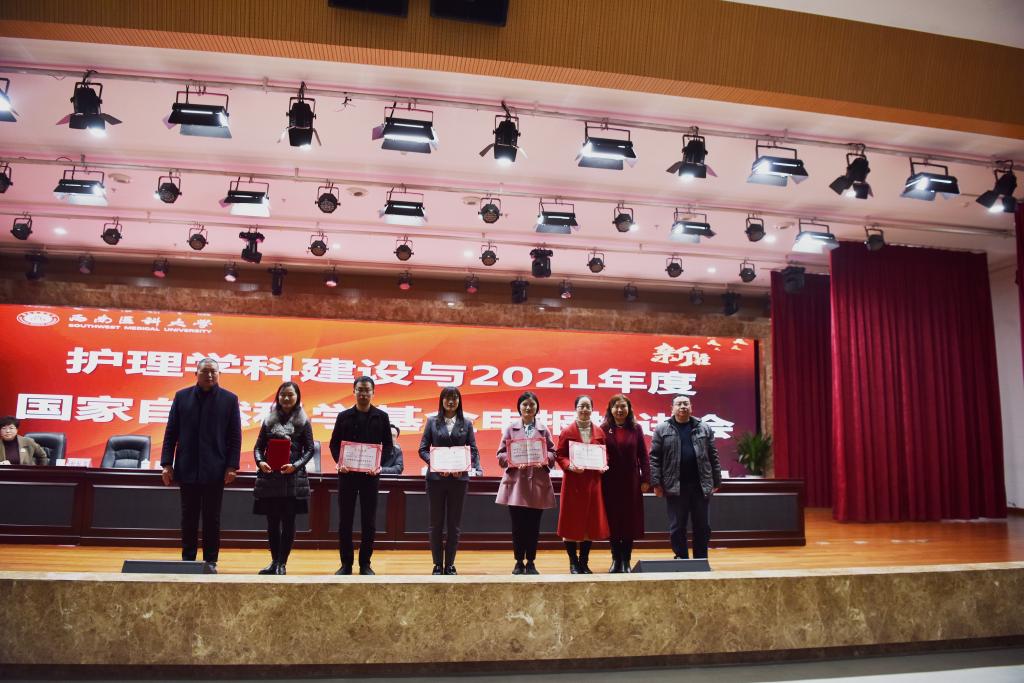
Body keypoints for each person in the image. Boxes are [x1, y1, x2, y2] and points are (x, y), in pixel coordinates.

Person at [160, 358, 242, 573]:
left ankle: (210, 560)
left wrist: (232, 466)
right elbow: (171, 433)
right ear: (196, 374)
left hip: (216, 469)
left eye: (214, 371)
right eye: (205, 371)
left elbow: (235, 436)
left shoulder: (229, 399)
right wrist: (167, 463)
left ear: (219, 374)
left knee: (212, 518)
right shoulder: (182, 397)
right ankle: (188, 559)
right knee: (188, 517)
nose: (210, 375)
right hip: (187, 467)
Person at [329, 376, 393, 576]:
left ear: (373, 392)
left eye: (367, 390)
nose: (363, 394)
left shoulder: (381, 417)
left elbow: (388, 446)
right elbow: (334, 444)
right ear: (354, 391)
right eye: (360, 390)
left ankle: (365, 563)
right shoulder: (343, 416)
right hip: (347, 476)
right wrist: (340, 462)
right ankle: (346, 564)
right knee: (345, 521)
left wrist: (379, 465)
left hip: (370, 477)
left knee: (369, 521)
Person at [252, 382, 314, 575]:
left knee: (288, 522)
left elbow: (310, 449)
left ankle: (282, 563)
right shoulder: (269, 419)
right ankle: (273, 561)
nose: (286, 398)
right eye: (282, 395)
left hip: (292, 479)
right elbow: (258, 447)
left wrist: (295, 466)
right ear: (278, 397)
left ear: (297, 397)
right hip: (270, 478)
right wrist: (260, 462)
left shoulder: (303, 421)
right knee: (272, 523)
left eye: (290, 395)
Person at [649, 395, 721, 560]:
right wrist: (656, 483)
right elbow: (654, 458)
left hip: (700, 485)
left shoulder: (703, 428)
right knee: (677, 526)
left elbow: (713, 456)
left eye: (686, 403)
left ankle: (701, 560)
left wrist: (716, 480)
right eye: (679, 404)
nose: (682, 406)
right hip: (675, 486)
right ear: (672, 408)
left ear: (691, 407)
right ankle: (681, 558)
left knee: (702, 526)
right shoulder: (662, 429)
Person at [418, 386, 480, 575]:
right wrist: (435, 464)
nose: (451, 401)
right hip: (436, 480)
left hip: (459, 480)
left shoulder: (466, 423)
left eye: (454, 398)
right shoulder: (432, 421)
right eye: (447, 398)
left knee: (454, 525)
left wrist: (465, 466)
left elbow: (473, 450)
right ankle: (437, 564)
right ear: (441, 400)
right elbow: (422, 449)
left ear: (459, 401)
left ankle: (450, 564)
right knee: (435, 524)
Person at [495, 391, 556, 575]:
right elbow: (500, 455)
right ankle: (518, 561)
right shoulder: (510, 429)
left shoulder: (544, 429)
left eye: (532, 404)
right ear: (519, 408)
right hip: (516, 485)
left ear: (537, 407)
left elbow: (553, 453)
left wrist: (544, 460)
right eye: (525, 404)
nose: (528, 408)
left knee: (533, 526)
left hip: (537, 484)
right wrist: (512, 461)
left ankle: (531, 562)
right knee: (518, 526)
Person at [555, 395, 609, 574]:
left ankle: (584, 562)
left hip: (592, 483)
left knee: (589, 523)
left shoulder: (599, 432)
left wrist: (604, 464)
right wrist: (570, 466)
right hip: (573, 483)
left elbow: (605, 454)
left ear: (592, 409)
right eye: (581, 406)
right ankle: (573, 563)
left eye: (587, 406)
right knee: (571, 523)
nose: (584, 409)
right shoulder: (567, 431)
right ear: (576, 409)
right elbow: (560, 455)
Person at [600, 394, 650, 573]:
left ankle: (626, 560)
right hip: (609, 481)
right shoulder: (603, 428)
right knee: (613, 520)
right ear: (610, 409)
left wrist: (646, 479)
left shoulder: (636, 428)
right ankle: (616, 559)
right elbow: (599, 453)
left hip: (631, 482)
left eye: (623, 406)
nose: (620, 410)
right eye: (616, 406)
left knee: (629, 521)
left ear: (629, 409)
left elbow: (643, 455)